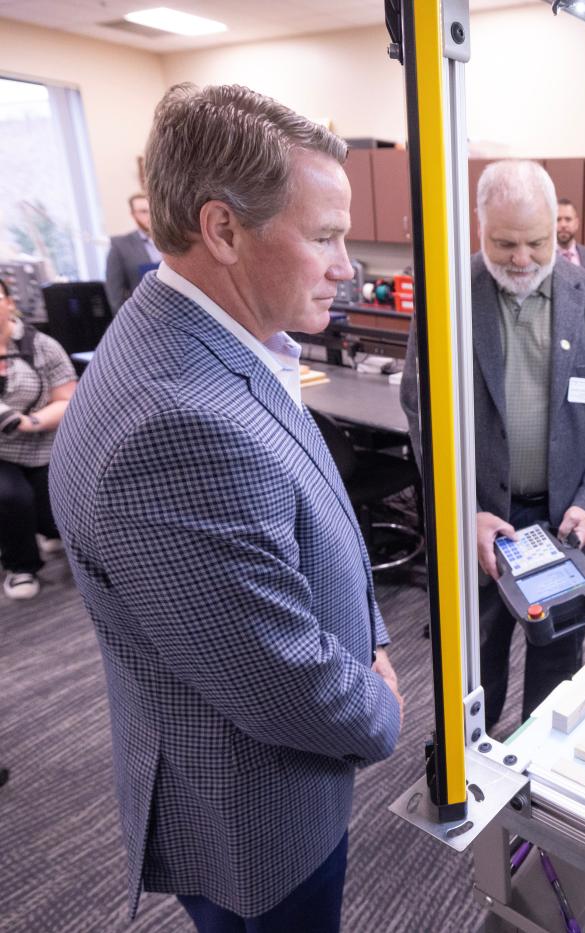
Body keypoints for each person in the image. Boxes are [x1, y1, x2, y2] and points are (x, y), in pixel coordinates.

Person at [49, 84, 402, 932]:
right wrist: (382, 700)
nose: (347, 264)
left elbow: (306, 506)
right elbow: (278, 683)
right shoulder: (174, 423)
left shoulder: (207, 334)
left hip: (253, 770)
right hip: (257, 819)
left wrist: (374, 635)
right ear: (223, 230)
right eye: (324, 236)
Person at [461, 160, 585, 731]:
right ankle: (475, 766)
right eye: (504, 243)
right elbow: (423, 417)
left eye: (536, 243)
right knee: (475, 663)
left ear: (557, 228)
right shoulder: (450, 297)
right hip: (484, 519)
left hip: (566, 523)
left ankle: (538, 783)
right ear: (479, 227)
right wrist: (465, 513)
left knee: (557, 667)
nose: (521, 259)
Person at [0, 278, 76, 600]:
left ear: (10, 302)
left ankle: (48, 530)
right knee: (10, 496)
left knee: (55, 509)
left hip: (44, 443)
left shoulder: (43, 345)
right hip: (2, 452)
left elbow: (67, 399)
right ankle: (21, 567)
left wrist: (26, 422)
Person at [104, 192, 162, 311]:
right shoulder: (120, 246)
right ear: (133, 215)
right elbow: (115, 295)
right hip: (143, 316)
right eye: (143, 212)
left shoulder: (173, 241)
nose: (150, 216)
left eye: (152, 210)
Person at [555, 198, 585, 267]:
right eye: (558, 219)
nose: (563, 225)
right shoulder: (542, 257)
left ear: (577, 223)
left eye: (568, 219)